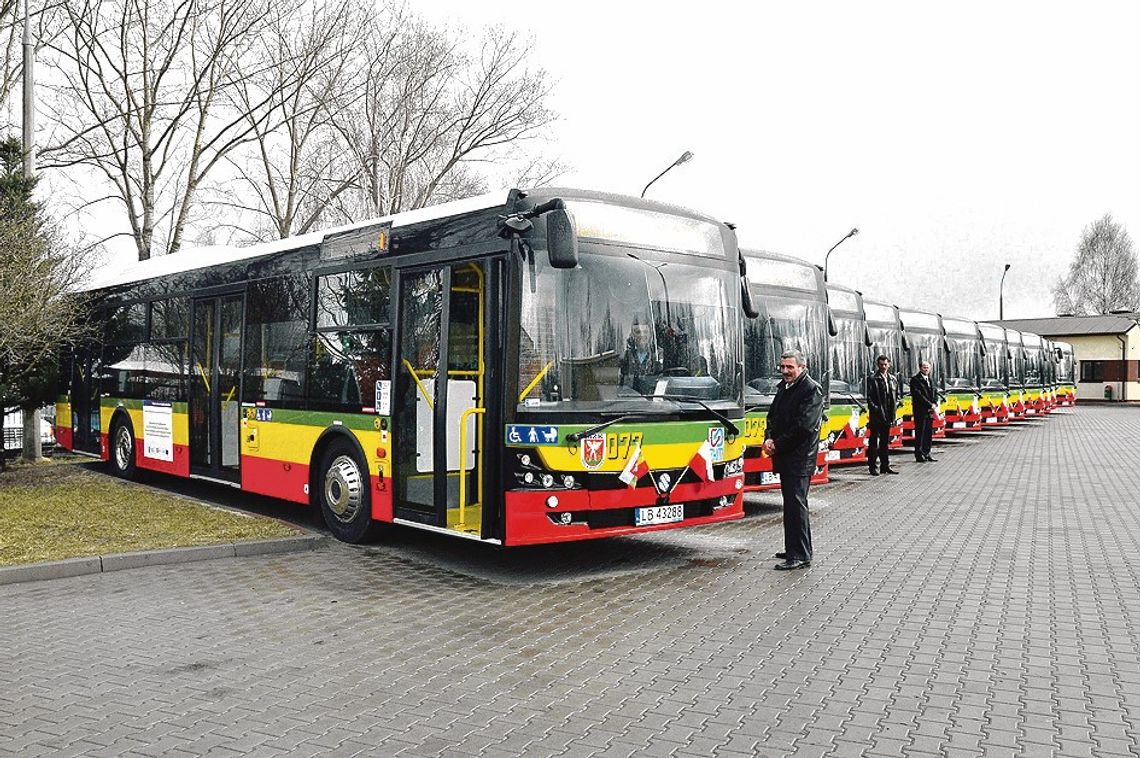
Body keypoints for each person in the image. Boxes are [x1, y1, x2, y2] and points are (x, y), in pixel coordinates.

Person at [763, 349, 825, 571]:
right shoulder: (785, 387)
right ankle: (794, 548)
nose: (786, 371)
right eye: (783, 367)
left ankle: (799, 555)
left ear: (802, 367)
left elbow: (804, 427)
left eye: (790, 367)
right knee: (791, 504)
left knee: (796, 505)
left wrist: (777, 444)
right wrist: (769, 437)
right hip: (785, 455)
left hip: (799, 458)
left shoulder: (810, 390)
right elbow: (772, 416)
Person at [865, 354, 900, 476]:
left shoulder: (893, 379)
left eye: (885, 364)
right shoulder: (873, 379)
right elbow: (868, 397)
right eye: (881, 365)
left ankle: (885, 466)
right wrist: (875, 409)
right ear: (878, 365)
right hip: (877, 416)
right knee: (874, 442)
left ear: (889, 365)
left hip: (888, 414)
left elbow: (896, 395)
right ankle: (872, 467)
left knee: (885, 442)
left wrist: (895, 408)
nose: (883, 367)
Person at [619, 318, 661, 388]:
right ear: (633, 335)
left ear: (651, 334)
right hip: (629, 396)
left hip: (655, 396)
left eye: (645, 332)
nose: (642, 335)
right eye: (638, 332)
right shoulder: (626, 355)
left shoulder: (658, 354)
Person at [910, 360, 938, 462]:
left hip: (930, 411)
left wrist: (935, 404)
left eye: (927, 367)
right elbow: (918, 395)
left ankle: (927, 452)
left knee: (928, 433)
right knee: (920, 433)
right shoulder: (915, 380)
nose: (926, 369)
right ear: (920, 368)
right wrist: (930, 404)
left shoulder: (930, 380)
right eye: (924, 367)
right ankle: (919, 454)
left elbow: (935, 393)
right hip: (920, 411)